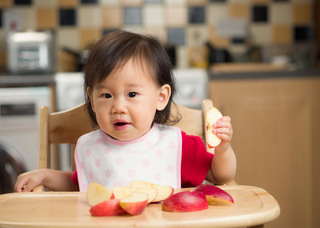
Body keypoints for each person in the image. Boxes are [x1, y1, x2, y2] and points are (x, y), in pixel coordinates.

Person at [15, 30, 236, 192]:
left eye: (132, 95)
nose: (118, 108)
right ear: (92, 100)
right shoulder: (89, 146)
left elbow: (220, 175)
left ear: (161, 98)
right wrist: (44, 175)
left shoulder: (177, 145)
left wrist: (223, 149)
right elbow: (80, 185)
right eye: (106, 95)